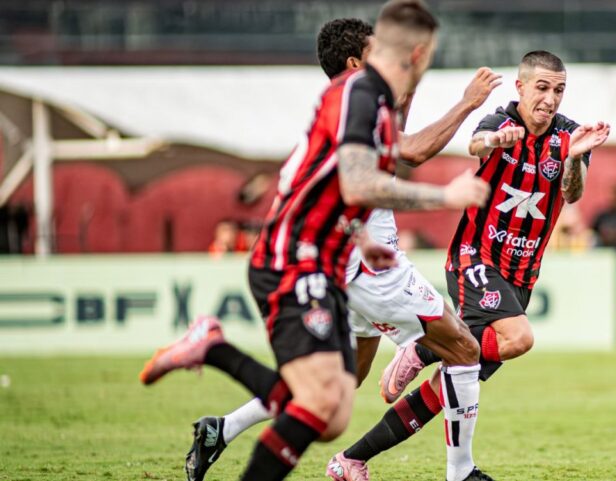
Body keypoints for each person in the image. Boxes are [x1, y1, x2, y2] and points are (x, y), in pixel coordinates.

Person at [138, 3, 490, 481]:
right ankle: (461, 473)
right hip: (306, 259)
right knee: (463, 349)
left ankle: (221, 406)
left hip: (334, 257)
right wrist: (445, 192)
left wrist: (358, 235)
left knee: (333, 402)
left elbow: (345, 180)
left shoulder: (366, 102)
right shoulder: (357, 96)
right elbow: (366, 179)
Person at [338, 49, 610, 476]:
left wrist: (575, 157)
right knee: (519, 338)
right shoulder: (502, 120)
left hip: (522, 274)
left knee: (447, 388)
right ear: (520, 87)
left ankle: (351, 459)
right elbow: (476, 143)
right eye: (542, 88)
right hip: (476, 257)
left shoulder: (569, 136)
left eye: (559, 90)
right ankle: (423, 347)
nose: (550, 99)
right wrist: (496, 141)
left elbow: (572, 194)